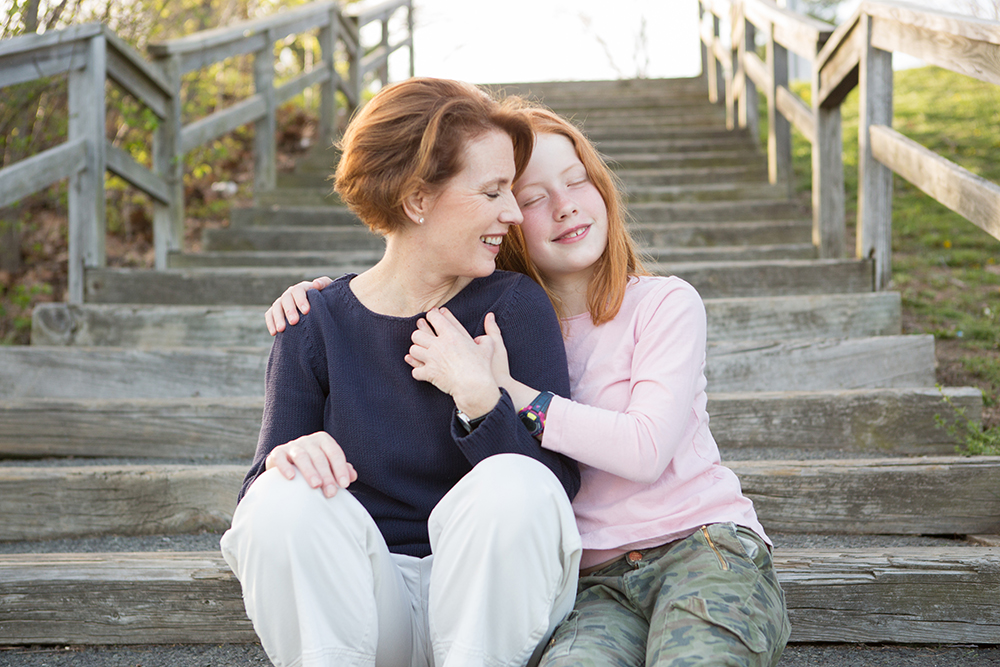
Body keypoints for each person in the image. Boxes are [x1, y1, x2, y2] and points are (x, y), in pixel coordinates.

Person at [269, 103, 791, 666]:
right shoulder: (507, 315)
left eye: (577, 180)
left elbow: (639, 451)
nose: (561, 206)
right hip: (596, 580)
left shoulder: (661, 303)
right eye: (530, 196)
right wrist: (320, 303)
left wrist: (505, 391)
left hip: (701, 547)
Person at [224, 78, 583, 667]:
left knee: (516, 481)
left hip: (486, 606)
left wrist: (479, 400)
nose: (514, 214)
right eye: (493, 191)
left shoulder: (515, 306)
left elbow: (553, 490)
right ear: (417, 199)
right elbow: (262, 510)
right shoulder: (314, 323)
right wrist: (288, 461)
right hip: (365, 602)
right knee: (279, 495)